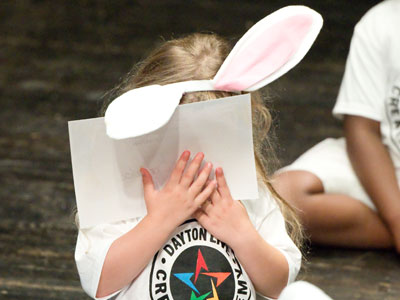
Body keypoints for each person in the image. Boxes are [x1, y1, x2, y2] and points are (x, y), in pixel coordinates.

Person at [74, 33, 303, 300]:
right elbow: (99, 282)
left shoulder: (248, 194)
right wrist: (158, 221)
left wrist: (243, 235)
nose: (195, 162)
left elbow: (280, 287)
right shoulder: (120, 190)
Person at [273, 0, 400, 253]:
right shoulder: (382, 21)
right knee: (281, 197)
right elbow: (362, 130)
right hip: (385, 159)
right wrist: (396, 218)